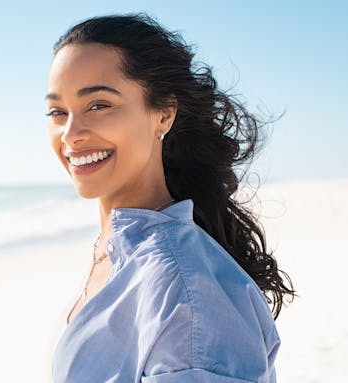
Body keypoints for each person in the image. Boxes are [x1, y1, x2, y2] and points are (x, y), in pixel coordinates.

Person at [46, 13, 296, 382]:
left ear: (163, 114)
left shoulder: (186, 290)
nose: (71, 133)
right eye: (57, 111)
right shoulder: (117, 250)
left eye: (98, 105)